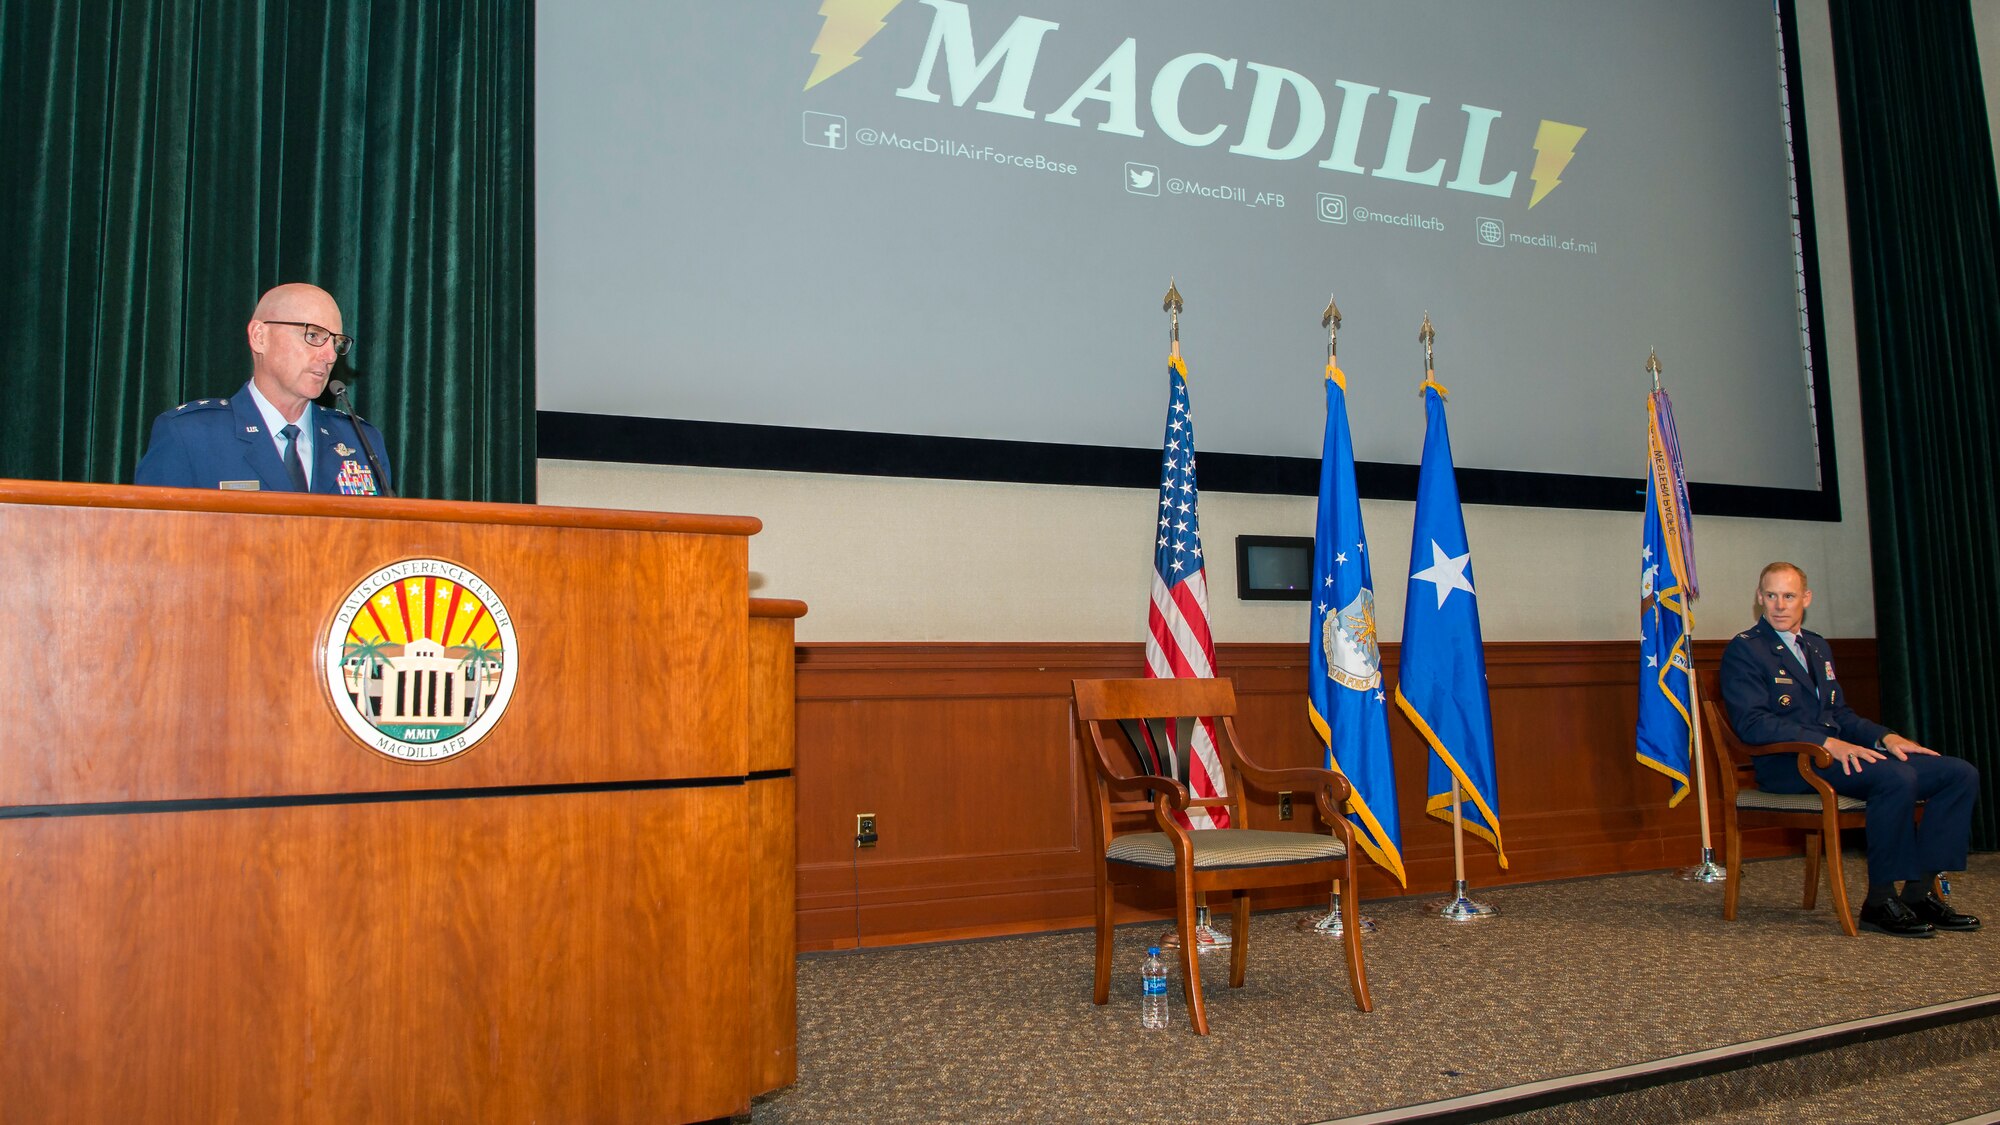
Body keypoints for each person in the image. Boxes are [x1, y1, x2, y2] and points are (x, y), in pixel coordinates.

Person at [1720, 561, 1980, 938]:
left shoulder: (1816, 646)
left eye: (1789, 596)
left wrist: (1885, 737)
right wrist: (1827, 742)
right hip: (1790, 764)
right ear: (1759, 598)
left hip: (1834, 755)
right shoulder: (1746, 650)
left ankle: (1920, 893)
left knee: (1957, 774)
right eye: (1771, 595)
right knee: (1894, 777)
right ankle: (1878, 901)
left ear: (1805, 599)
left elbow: (1839, 712)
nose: (1779, 605)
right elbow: (1753, 724)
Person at [134, 283, 391, 495]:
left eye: (336, 342)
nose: (329, 356)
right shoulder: (190, 436)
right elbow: (152, 547)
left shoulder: (359, 441)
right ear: (259, 336)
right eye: (313, 335)